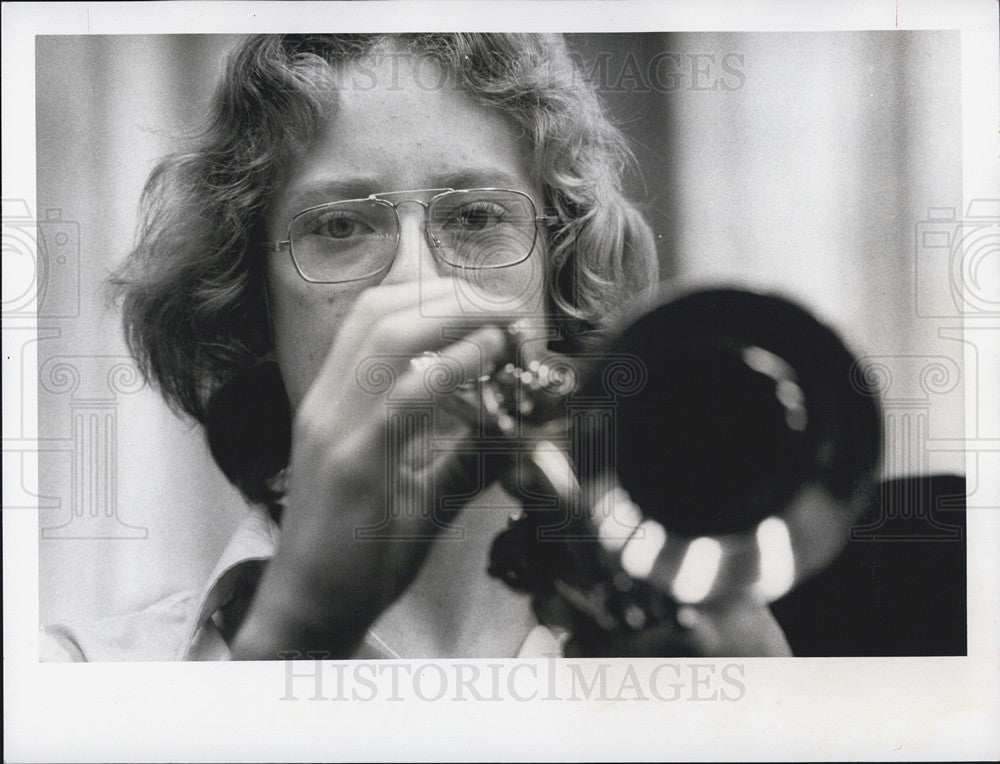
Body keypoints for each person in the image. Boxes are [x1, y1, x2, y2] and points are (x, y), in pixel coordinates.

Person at [41, 33, 798, 661]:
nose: (417, 283)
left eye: (474, 216)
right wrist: (296, 632)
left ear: (555, 270)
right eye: (339, 226)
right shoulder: (81, 671)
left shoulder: (705, 638)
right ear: (252, 302)